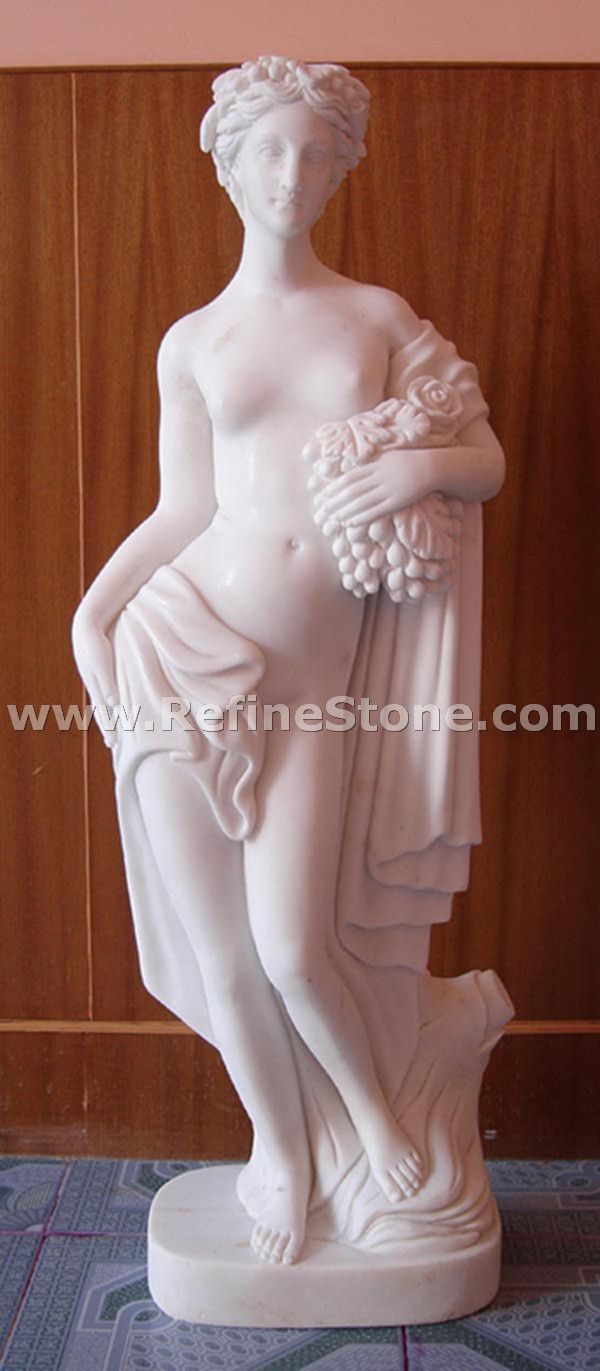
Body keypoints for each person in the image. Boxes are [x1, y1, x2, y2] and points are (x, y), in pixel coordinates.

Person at [72, 56, 505, 1268]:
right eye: (269, 149)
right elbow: (183, 510)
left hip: (315, 691)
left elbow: (483, 460)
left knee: (297, 952)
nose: (291, 174)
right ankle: (281, 1150)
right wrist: (92, 619)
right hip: (181, 644)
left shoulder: (376, 317)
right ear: (226, 163)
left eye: (317, 152)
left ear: (344, 165)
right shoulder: (194, 341)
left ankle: (375, 1126)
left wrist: (417, 466)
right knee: (225, 956)